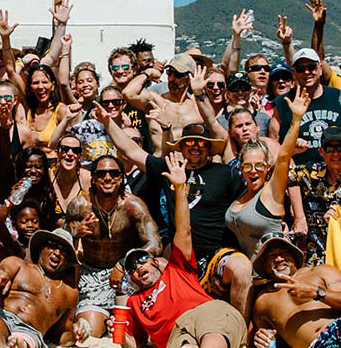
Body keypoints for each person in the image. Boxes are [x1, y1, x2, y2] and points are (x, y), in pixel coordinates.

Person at [102, 108, 252, 316]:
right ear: (181, 146)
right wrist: (107, 122)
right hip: (180, 260)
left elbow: (248, 203)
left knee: (242, 269)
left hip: (216, 254)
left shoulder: (226, 174)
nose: (196, 148)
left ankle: (240, 331)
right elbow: (131, 151)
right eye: (190, 143)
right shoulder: (169, 168)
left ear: (209, 148)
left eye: (201, 143)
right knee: (146, 272)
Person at [122, 152, 246, 348]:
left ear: (156, 261)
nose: (138, 267)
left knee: (214, 328)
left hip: (204, 311)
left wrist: (180, 188)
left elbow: (184, 230)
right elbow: (133, 343)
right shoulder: (135, 302)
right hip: (175, 337)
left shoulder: (178, 268)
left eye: (142, 260)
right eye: (132, 268)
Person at [68, 155, 161, 336]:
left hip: (126, 274)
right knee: (92, 332)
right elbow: (60, 247)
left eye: (113, 173)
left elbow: (155, 244)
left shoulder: (132, 205)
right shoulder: (81, 206)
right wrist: (74, 233)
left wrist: (123, 262)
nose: (108, 178)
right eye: (101, 174)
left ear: (121, 178)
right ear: (93, 178)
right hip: (92, 275)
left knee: (129, 329)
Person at [225, 88, 310, 258]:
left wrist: (296, 119)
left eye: (259, 166)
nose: (254, 170)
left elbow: (286, 162)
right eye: (248, 166)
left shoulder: (268, 148)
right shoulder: (233, 159)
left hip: (273, 268)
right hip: (247, 259)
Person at [251, 232, 341, 348]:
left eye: (284, 253)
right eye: (271, 256)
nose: (279, 258)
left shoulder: (321, 271)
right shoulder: (262, 301)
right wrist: (264, 342)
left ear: (294, 256)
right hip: (322, 347)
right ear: (263, 264)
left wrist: (317, 293)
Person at [270, 48, 341, 164]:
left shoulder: (337, 97)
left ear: (320, 70)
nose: (307, 72)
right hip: (299, 174)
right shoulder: (283, 103)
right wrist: (291, 148)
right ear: (294, 73)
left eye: (312, 67)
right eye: (301, 69)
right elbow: (273, 145)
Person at [288, 125, 341, 266]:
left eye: (340, 148)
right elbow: (282, 177)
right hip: (316, 255)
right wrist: (289, 152)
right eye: (329, 149)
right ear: (321, 151)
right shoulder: (311, 172)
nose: (335, 154)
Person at [24, 64, 68, 156]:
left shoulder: (61, 110)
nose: (40, 87)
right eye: (36, 83)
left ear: (52, 86)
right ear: (30, 87)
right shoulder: (27, 110)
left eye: (44, 82)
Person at [50, 133, 90, 220]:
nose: (70, 153)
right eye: (65, 149)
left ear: (80, 156)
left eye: (75, 150)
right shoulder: (49, 176)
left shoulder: (86, 178)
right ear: (57, 152)